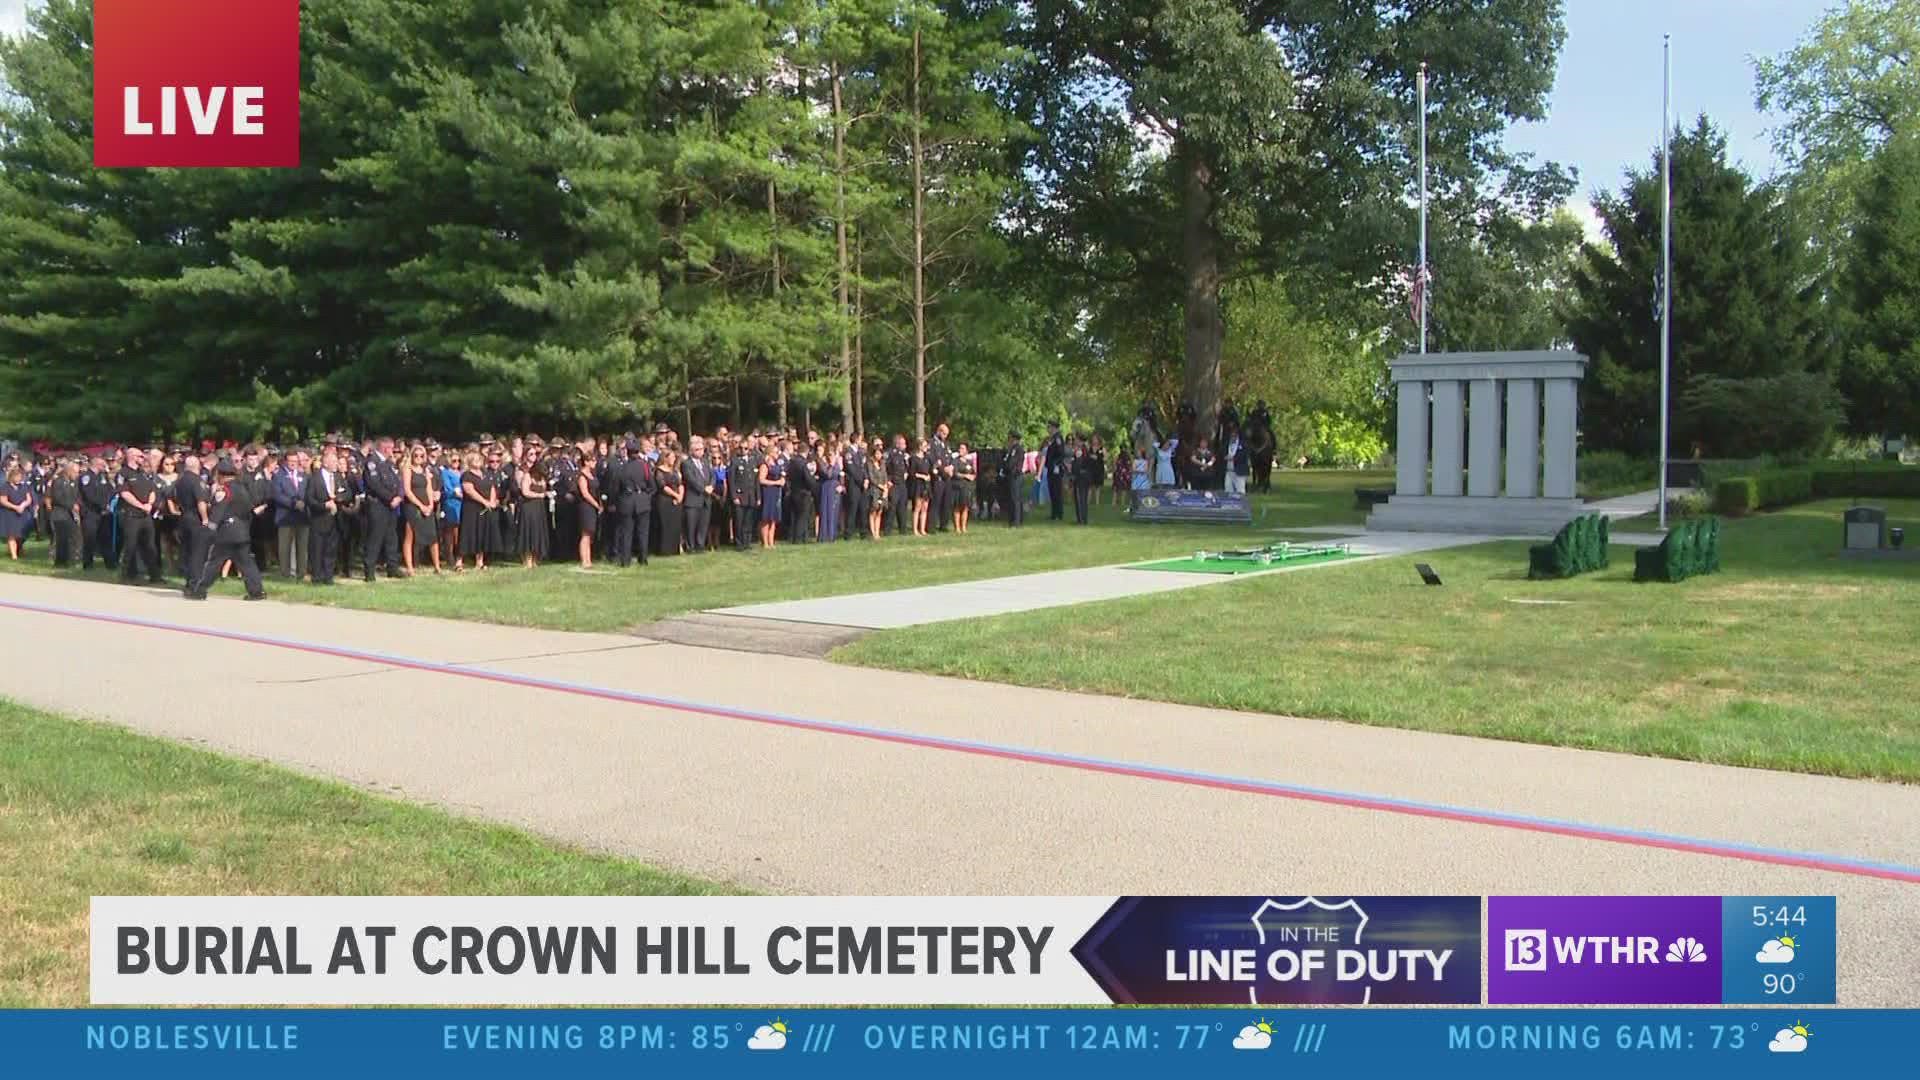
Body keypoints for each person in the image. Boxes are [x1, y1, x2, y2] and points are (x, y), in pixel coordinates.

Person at [184, 462, 265, 602]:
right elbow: (249, 510)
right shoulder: (243, 489)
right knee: (247, 564)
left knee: (214, 563)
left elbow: (218, 512)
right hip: (242, 531)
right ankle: (256, 591)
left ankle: (200, 590)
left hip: (226, 533)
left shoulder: (224, 491)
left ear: (220, 475)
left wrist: (209, 528)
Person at [116, 448, 165, 584]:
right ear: (131, 456)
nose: (143, 459)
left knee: (150, 546)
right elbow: (124, 493)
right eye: (140, 456)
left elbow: (152, 490)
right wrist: (139, 505)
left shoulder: (143, 473)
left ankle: (155, 575)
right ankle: (127, 575)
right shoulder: (123, 473)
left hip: (145, 515)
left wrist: (149, 504)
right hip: (131, 514)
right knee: (130, 545)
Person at [362, 438, 405, 580]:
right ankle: (369, 571)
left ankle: (392, 568)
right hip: (378, 505)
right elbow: (375, 485)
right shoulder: (372, 462)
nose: (392, 451)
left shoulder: (388, 464)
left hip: (392, 506)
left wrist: (399, 496)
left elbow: (398, 482)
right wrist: (390, 498)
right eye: (391, 448)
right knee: (375, 538)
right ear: (385, 448)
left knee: (391, 538)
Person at [172, 454, 212, 584]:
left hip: (184, 517)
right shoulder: (197, 481)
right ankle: (195, 581)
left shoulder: (180, 481)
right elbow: (201, 501)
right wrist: (205, 518)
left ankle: (188, 579)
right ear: (197, 466)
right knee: (197, 551)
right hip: (195, 518)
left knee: (186, 550)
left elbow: (174, 498)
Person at [305, 447, 343, 585]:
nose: (336, 464)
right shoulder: (314, 478)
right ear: (325, 463)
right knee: (317, 549)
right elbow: (309, 499)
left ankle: (328, 576)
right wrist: (324, 505)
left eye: (337, 461)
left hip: (335, 520)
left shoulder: (338, 477)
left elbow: (347, 493)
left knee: (331, 549)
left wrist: (338, 498)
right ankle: (317, 576)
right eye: (333, 461)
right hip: (319, 519)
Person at [400, 443, 440, 574]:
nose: (418, 457)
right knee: (410, 536)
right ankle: (410, 568)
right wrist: (420, 506)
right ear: (411, 456)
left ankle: (437, 566)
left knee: (433, 536)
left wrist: (430, 505)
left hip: (427, 505)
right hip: (413, 506)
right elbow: (407, 491)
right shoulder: (408, 469)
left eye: (421, 455)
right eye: (416, 455)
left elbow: (429, 488)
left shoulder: (425, 471)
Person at [458, 450, 497, 571]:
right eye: (474, 459)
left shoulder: (485, 473)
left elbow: (491, 487)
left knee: (482, 533)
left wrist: (491, 501)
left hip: (485, 509)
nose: (478, 461)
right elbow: (470, 491)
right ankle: (459, 562)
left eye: (479, 459)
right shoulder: (466, 475)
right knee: (467, 533)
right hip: (471, 508)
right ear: (469, 461)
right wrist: (484, 501)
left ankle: (479, 562)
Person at [79, 454, 115, 570]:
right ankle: (88, 564)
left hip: (103, 513)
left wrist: (108, 503)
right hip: (91, 513)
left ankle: (110, 564)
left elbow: (110, 490)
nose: (104, 466)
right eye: (102, 464)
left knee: (105, 539)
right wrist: (103, 505)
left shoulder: (103, 476)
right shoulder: (86, 477)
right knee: (90, 539)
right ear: (97, 464)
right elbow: (89, 495)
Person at [681, 436, 715, 553]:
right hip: (693, 499)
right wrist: (704, 489)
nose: (700, 452)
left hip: (706, 499)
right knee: (691, 525)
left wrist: (711, 486)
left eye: (701, 449)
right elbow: (691, 480)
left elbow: (712, 476)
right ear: (691, 451)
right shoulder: (686, 464)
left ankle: (700, 545)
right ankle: (691, 546)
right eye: (697, 450)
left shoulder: (705, 462)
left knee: (703, 524)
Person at [48, 459, 82, 568]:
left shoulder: (73, 483)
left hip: (70, 515)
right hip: (60, 514)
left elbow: (76, 496)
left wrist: (76, 504)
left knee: (71, 538)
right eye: (75, 472)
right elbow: (57, 498)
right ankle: (59, 561)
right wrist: (71, 505)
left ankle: (69, 559)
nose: (77, 475)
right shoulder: (58, 482)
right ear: (69, 471)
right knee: (61, 539)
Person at [517, 457, 550, 567]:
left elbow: (544, 490)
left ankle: (536, 559)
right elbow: (525, 492)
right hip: (528, 507)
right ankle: (528, 559)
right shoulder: (527, 476)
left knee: (538, 533)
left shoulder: (542, 479)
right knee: (529, 533)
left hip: (539, 508)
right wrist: (539, 495)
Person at [728, 436, 757, 551]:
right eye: (741, 448)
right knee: (739, 521)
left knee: (748, 521)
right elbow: (732, 481)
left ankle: (747, 542)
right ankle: (739, 543)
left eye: (746, 448)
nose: (744, 450)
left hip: (750, 496)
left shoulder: (752, 461)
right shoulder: (735, 461)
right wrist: (734, 496)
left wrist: (756, 496)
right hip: (740, 496)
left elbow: (754, 481)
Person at [575, 452, 603, 569]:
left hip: (593, 507)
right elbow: (585, 493)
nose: (594, 463)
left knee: (591, 534)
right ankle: (584, 560)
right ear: (586, 462)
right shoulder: (582, 476)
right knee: (585, 534)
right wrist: (596, 504)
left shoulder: (593, 474)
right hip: (586, 507)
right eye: (592, 460)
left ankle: (589, 559)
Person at [653, 449, 684, 556]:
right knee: (666, 525)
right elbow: (663, 486)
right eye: (672, 457)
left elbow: (680, 484)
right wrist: (675, 495)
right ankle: (665, 550)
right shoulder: (659, 471)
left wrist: (680, 496)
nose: (674, 459)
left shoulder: (675, 471)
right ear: (665, 458)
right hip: (665, 500)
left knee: (676, 525)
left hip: (677, 500)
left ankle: (675, 549)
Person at [438, 450, 464, 571]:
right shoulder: (446, 473)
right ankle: (449, 556)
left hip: (462, 504)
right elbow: (448, 489)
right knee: (449, 531)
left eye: (459, 460)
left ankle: (459, 556)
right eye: (454, 460)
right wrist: (456, 492)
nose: (456, 463)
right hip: (450, 503)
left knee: (459, 531)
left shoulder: (461, 472)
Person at [758, 438, 786, 549]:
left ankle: (771, 541)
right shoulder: (765, 465)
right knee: (766, 518)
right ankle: (765, 542)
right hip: (768, 492)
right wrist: (776, 482)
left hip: (776, 492)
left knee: (773, 519)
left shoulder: (776, 464)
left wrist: (782, 480)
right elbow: (761, 480)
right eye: (775, 452)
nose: (777, 454)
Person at [0, 464, 30, 560]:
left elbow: (28, 499)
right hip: (9, 513)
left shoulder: (23, 486)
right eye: (17, 477)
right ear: (11, 477)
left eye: (20, 477)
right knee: (12, 534)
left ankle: (19, 549)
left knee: (20, 534)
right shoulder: (5, 486)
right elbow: (3, 500)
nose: (19, 479)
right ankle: (14, 556)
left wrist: (23, 505)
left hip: (22, 512)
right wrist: (15, 507)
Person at [1041, 420, 1067, 521]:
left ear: (1054, 428)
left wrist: (1055, 464)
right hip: (1051, 468)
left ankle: (1058, 514)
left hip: (1056, 468)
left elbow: (1060, 453)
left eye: (1050, 427)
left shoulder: (1058, 438)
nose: (1048, 429)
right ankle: (1054, 513)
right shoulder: (1052, 438)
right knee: (1052, 491)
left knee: (1057, 491)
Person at [817, 442, 843, 544]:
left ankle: (833, 535)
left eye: (834, 453)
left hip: (836, 487)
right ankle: (825, 536)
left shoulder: (838, 461)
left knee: (835, 511)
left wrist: (842, 485)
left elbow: (841, 474)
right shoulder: (822, 462)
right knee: (827, 511)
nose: (832, 456)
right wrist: (831, 465)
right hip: (827, 487)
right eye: (830, 454)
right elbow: (828, 475)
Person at [1001, 431, 1026, 528]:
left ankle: (1016, 521)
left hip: (1015, 475)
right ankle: (1013, 520)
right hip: (1011, 475)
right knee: (1012, 498)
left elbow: (1012, 462)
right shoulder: (1011, 449)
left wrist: (1006, 467)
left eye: (1010, 438)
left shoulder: (1016, 449)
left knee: (1015, 498)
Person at [1070, 437, 1096, 525]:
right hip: (1086, 477)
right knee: (1083, 498)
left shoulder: (1080, 451)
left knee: (1080, 498)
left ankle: (1081, 519)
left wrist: (1073, 473)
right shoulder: (1087, 450)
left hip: (1080, 477)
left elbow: (1078, 465)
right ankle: (1083, 518)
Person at [951, 441, 976, 534]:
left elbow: (973, 472)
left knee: (965, 507)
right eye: (960, 448)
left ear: (966, 451)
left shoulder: (969, 462)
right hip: (958, 486)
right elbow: (955, 473)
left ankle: (964, 527)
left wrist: (973, 476)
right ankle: (957, 527)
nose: (960, 450)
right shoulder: (955, 461)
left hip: (967, 487)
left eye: (962, 448)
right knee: (957, 507)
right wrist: (965, 476)